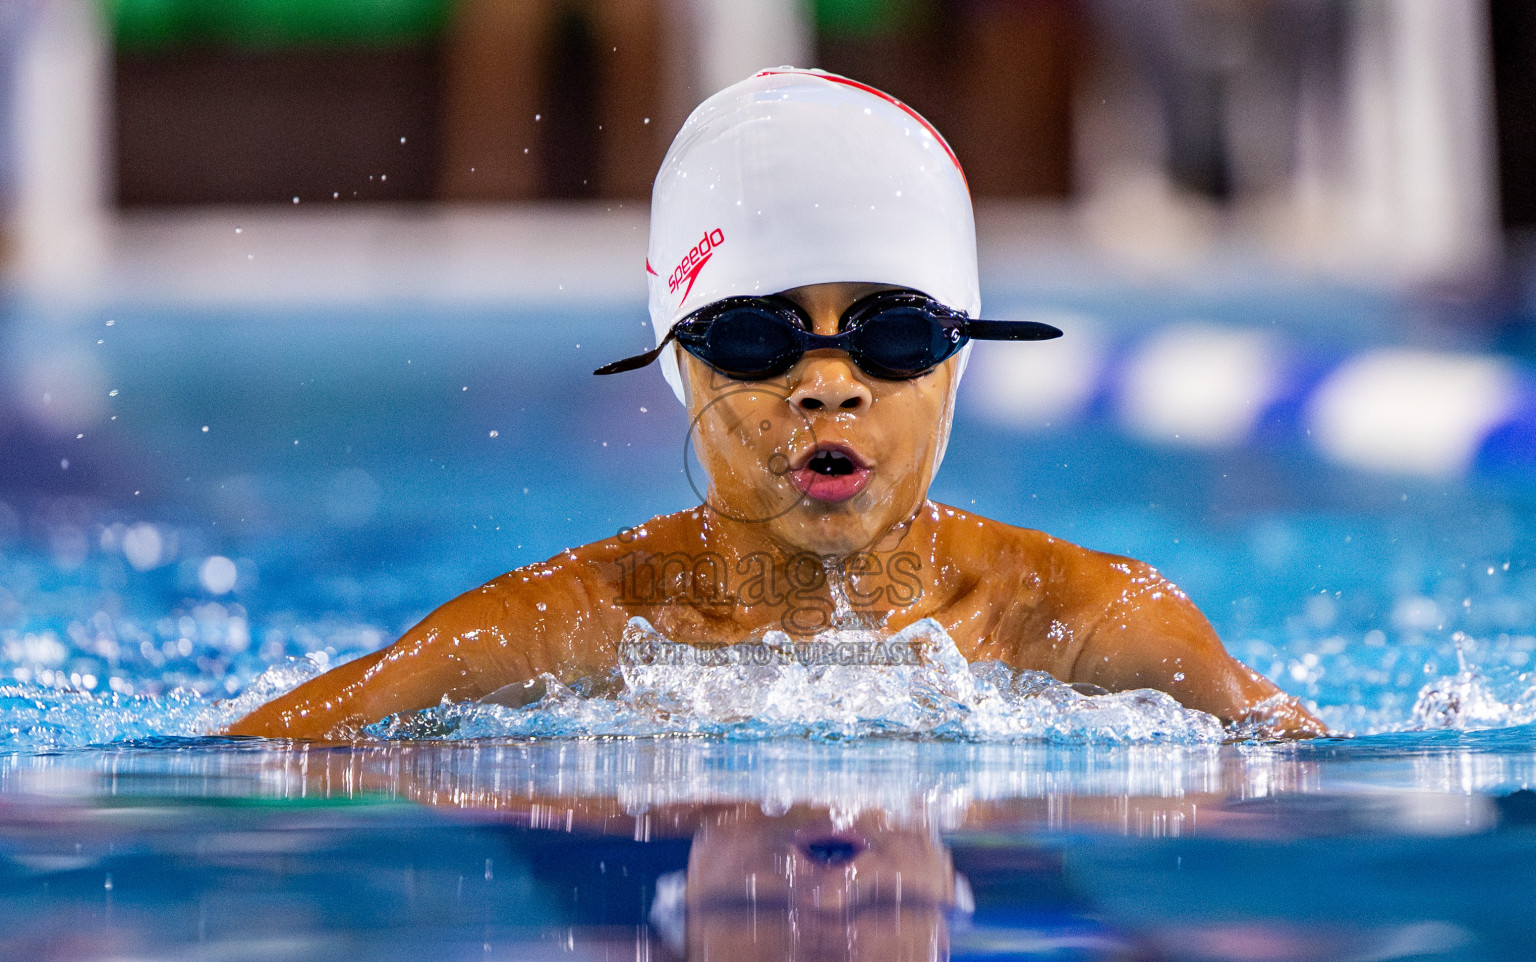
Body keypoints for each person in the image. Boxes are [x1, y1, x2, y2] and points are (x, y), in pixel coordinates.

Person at [228, 68, 1325, 740]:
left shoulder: (1092, 627)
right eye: (756, 336)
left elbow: (1309, 771)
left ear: (956, 361)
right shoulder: (562, 627)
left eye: (895, 333)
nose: (828, 382)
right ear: (681, 363)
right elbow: (253, 759)